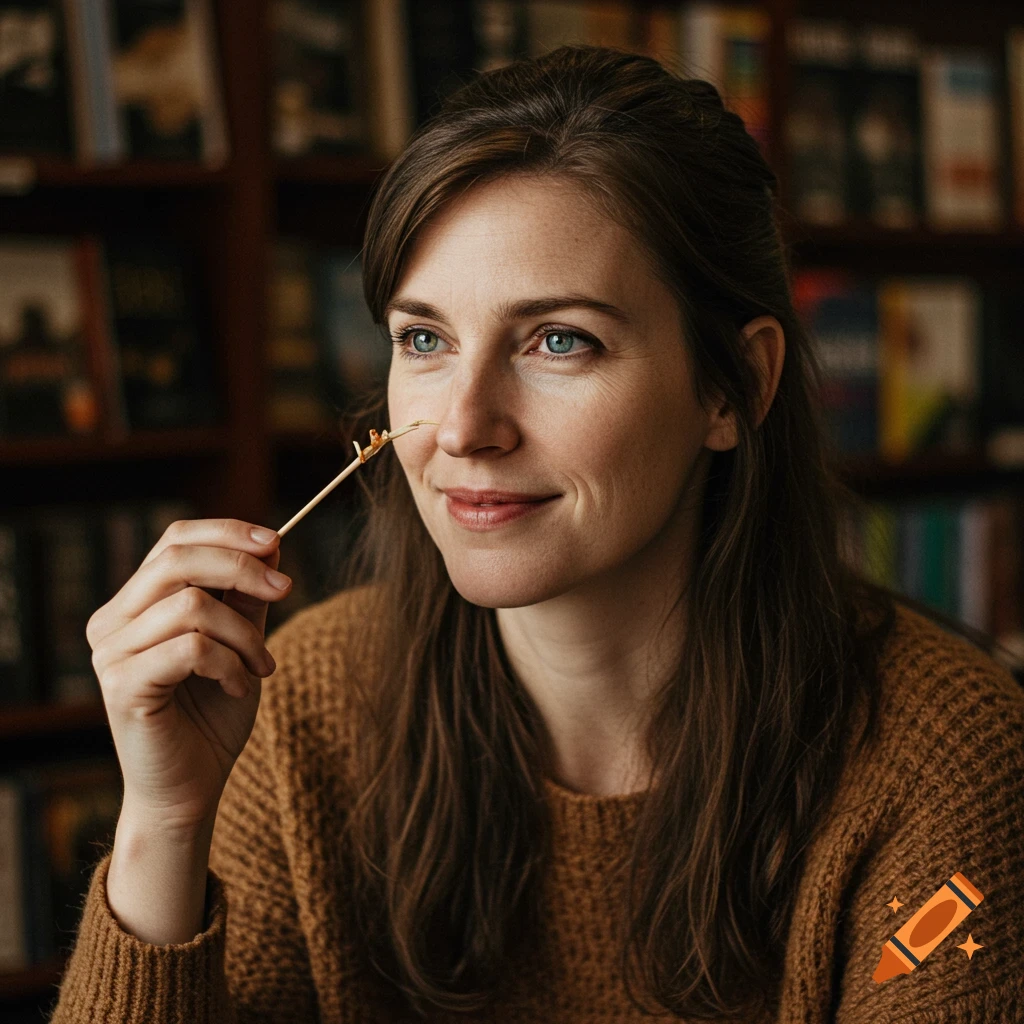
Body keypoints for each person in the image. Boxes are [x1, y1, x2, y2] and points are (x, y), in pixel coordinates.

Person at [50, 45, 1024, 1023]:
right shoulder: (294, 706)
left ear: (734, 387)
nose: (467, 427)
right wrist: (164, 824)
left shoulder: (946, 760)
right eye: (424, 339)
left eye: (559, 340)